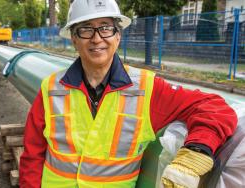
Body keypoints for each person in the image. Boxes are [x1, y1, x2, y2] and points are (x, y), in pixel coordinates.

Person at [18, 0, 237, 187]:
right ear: (74, 39)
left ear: (118, 36)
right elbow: (32, 157)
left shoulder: (147, 90)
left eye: (105, 28)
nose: (96, 38)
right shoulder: (51, 88)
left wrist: (197, 149)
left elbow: (214, 107)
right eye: (85, 29)